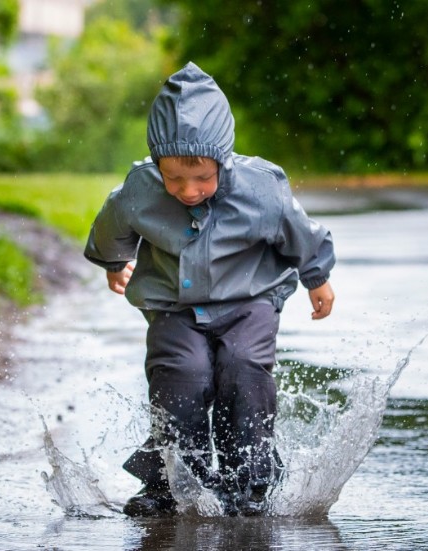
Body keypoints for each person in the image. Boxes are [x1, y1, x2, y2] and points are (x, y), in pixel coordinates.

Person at [84, 62, 336, 517]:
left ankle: (249, 482)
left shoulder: (261, 187)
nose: (188, 190)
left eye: (202, 177)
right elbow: (112, 223)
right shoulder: (141, 188)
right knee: (182, 376)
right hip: (174, 309)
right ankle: (173, 482)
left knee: (242, 369)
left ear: (223, 158)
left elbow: (299, 229)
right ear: (157, 161)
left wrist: (317, 276)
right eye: (174, 177)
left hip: (250, 302)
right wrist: (114, 261)